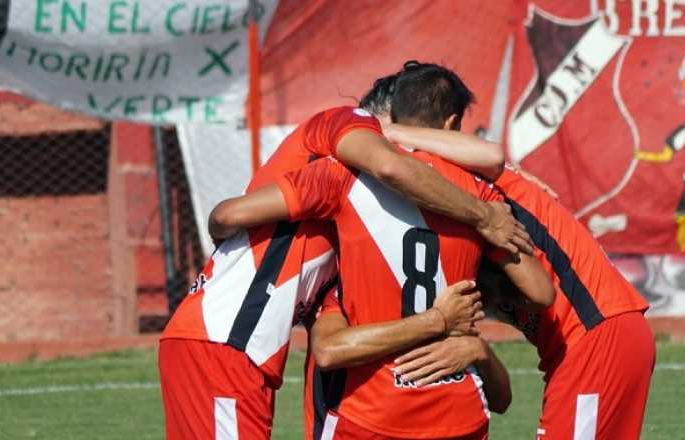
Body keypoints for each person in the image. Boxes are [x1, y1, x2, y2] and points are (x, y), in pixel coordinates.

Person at [158, 63, 534, 439]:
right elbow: (388, 165)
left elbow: (226, 218)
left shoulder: (352, 213)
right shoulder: (346, 125)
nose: (415, 154)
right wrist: (483, 216)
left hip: (236, 345)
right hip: (223, 336)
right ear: (383, 122)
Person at [387, 125, 656, 440]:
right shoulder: (463, 206)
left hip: (597, 336)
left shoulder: (465, 184)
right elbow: (501, 398)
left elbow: (489, 155)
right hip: (588, 341)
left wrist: (382, 130)